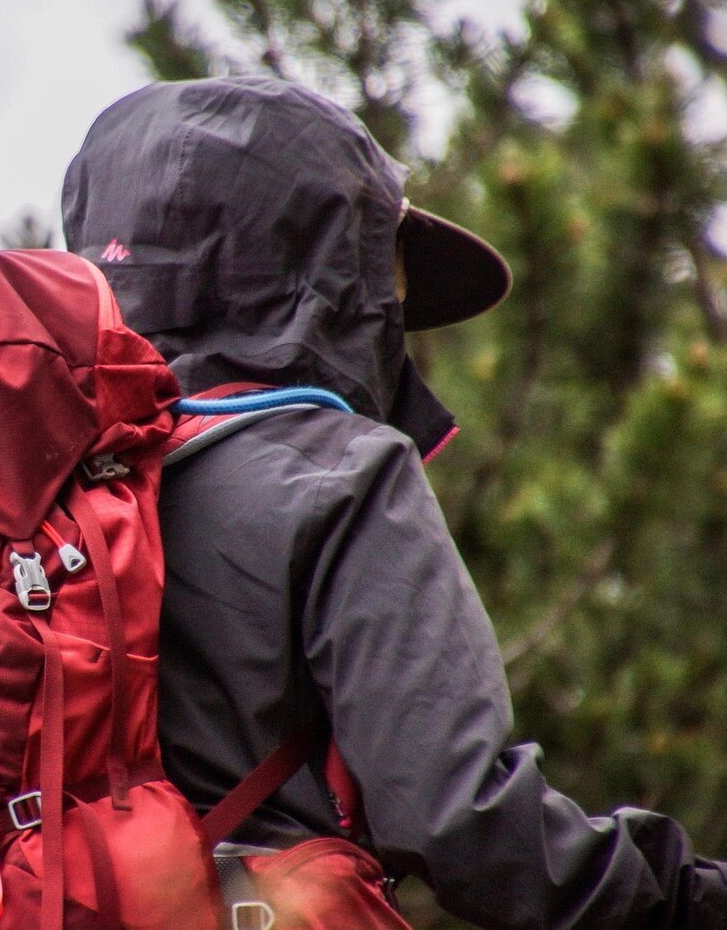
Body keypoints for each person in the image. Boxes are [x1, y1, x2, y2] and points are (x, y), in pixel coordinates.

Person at [62, 75, 727, 928]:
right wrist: (692, 898)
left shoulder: (44, 481)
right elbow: (468, 824)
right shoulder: (339, 475)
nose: (400, 307)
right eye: (388, 264)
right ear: (333, 272)